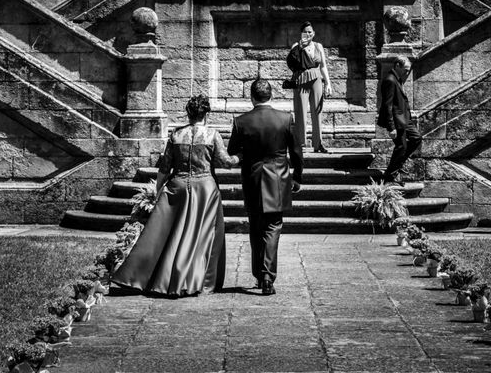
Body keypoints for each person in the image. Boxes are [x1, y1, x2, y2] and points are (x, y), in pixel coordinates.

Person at [111, 95, 240, 296]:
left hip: (177, 185)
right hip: (205, 188)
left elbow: (165, 166)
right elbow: (226, 162)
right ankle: (190, 279)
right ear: (206, 114)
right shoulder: (213, 135)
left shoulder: (176, 135)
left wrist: (158, 188)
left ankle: (140, 275)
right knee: (200, 236)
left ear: (188, 114)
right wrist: (240, 155)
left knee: (163, 234)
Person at [227, 79, 303, 295]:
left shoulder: (240, 121)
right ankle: (268, 275)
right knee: (273, 226)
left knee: (255, 227)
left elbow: (233, 151)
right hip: (278, 177)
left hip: (252, 177)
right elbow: (296, 152)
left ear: (251, 97)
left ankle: (260, 276)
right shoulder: (286, 118)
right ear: (272, 95)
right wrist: (298, 177)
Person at [287, 21, 333, 153]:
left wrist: (328, 83)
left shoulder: (318, 46)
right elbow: (291, 63)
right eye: (305, 31)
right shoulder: (296, 46)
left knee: (317, 111)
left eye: (310, 32)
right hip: (301, 78)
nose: (308, 34)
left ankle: (318, 144)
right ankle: (301, 143)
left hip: (316, 78)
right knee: (300, 111)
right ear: (301, 33)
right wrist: (299, 47)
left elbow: (323, 66)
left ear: (313, 33)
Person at [376, 55, 422, 185]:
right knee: (401, 147)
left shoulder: (397, 79)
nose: (407, 72)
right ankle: (389, 177)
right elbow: (387, 105)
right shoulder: (390, 80)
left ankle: (396, 167)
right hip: (397, 121)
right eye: (406, 69)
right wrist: (391, 127)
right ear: (397, 66)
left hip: (405, 119)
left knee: (416, 138)